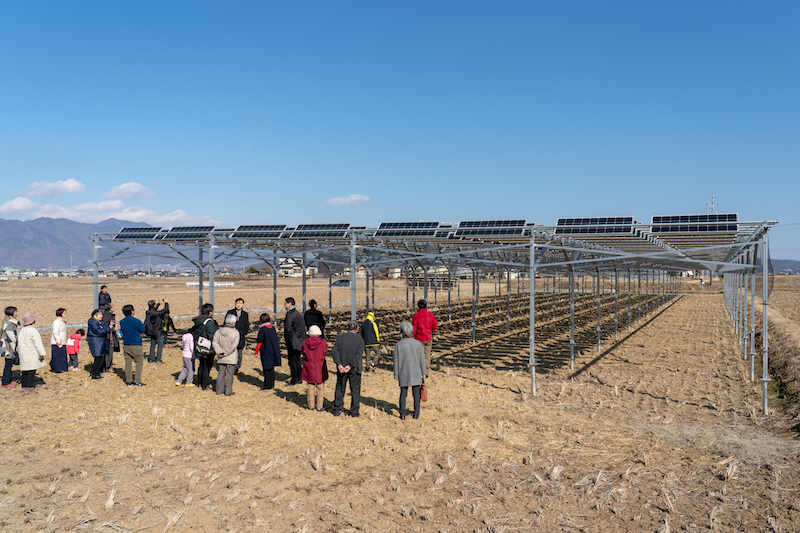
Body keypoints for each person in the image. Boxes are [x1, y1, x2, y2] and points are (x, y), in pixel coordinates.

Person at [394, 321, 427, 420]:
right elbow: (422, 359)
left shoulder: (398, 345)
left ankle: (402, 414)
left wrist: (396, 375)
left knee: (403, 393)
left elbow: (396, 362)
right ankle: (416, 413)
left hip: (403, 372)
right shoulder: (418, 344)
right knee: (416, 393)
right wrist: (423, 372)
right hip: (416, 371)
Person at [331, 320, 365, 417]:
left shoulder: (340, 338)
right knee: (355, 390)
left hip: (341, 368)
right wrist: (350, 365)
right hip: (354, 369)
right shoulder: (360, 340)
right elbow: (358, 355)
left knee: (340, 389)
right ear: (358, 329)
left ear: (347, 328)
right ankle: (354, 411)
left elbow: (335, 351)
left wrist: (339, 364)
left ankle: (337, 409)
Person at [300, 325, 328, 411]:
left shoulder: (305, 342)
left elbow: (303, 352)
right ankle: (319, 406)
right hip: (320, 367)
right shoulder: (323, 342)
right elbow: (325, 351)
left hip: (309, 366)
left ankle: (310, 406)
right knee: (320, 386)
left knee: (310, 387)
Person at [192, 303, 219, 391]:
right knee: (207, 366)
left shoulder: (198, 321)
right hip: (207, 348)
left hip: (199, 346)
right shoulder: (209, 322)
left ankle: (199, 382)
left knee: (201, 365)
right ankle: (205, 384)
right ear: (210, 312)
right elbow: (211, 336)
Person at [213, 314, 240, 396]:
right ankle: (228, 391)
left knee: (221, 373)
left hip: (221, 357)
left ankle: (219, 390)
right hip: (231, 357)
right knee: (230, 374)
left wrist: (220, 351)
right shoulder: (235, 333)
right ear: (234, 323)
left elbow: (215, 343)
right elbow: (234, 346)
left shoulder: (218, 332)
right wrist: (226, 352)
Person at [119, 305, 146, 386]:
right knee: (139, 362)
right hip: (136, 344)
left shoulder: (122, 321)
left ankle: (129, 381)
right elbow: (143, 330)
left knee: (128, 363)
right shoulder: (136, 321)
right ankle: (137, 380)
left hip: (126, 344)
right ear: (132, 312)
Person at [17, 313, 46, 390]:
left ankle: (24, 385)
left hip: (23, 352)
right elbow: (38, 343)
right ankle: (29, 386)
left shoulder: (21, 330)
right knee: (31, 370)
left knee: (25, 370)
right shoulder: (33, 331)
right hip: (31, 352)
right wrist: (42, 353)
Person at [283, 297, 307, 386]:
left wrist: (287, 340)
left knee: (292, 361)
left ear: (290, 304)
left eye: (285, 303)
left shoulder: (290, 314)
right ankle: (299, 377)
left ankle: (294, 379)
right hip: (299, 341)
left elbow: (287, 329)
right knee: (297, 360)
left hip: (293, 341)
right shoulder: (298, 313)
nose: (284, 305)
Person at [254, 313, 281, 390]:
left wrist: (256, 351)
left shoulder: (263, 329)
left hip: (266, 351)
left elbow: (260, 341)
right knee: (271, 369)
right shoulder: (272, 328)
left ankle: (267, 386)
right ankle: (272, 384)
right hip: (273, 350)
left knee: (266, 369)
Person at [412, 299, 438, 371]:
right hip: (428, 338)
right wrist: (429, 331)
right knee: (427, 356)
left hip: (419, 339)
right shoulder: (430, 315)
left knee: (419, 356)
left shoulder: (416, 316)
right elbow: (435, 326)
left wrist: (411, 337)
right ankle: (426, 371)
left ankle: (419, 371)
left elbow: (414, 328)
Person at [225, 298, 250, 374]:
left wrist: (244, 332)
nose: (239, 305)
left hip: (240, 337)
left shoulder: (245, 314)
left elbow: (247, 325)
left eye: (240, 303)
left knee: (239, 354)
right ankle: (229, 367)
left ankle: (236, 368)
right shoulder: (230, 312)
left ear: (243, 305)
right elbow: (225, 323)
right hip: (231, 336)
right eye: (237, 303)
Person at [87, 309, 112, 379]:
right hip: (96, 342)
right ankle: (94, 373)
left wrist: (109, 326)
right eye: (100, 314)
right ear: (95, 315)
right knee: (98, 357)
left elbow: (105, 327)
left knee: (100, 357)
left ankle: (97, 371)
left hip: (100, 341)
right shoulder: (92, 322)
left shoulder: (100, 322)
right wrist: (108, 328)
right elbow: (99, 331)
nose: (102, 316)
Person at [145, 299, 170, 363]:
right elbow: (165, 310)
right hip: (158, 331)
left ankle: (151, 358)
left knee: (153, 345)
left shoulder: (148, 312)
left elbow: (154, 309)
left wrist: (159, 304)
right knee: (160, 345)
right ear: (154, 305)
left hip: (151, 331)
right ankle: (158, 359)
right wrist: (166, 303)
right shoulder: (157, 314)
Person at [1, 307, 20, 388]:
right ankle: (5, 383)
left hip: (8, 346)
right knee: (8, 365)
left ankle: (8, 380)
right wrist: (17, 344)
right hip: (8, 348)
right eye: (15, 312)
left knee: (9, 364)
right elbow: (11, 336)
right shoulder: (9, 323)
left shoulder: (8, 321)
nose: (17, 313)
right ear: (12, 313)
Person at [50, 308, 69, 373]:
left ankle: (63, 368)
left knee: (62, 356)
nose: (66, 314)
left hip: (62, 341)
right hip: (57, 342)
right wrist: (58, 341)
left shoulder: (62, 322)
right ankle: (57, 368)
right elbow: (56, 332)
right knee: (57, 356)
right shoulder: (56, 322)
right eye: (64, 313)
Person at [102, 305, 119, 372]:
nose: (114, 308)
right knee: (108, 352)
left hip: (110, 336)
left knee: (110, 352)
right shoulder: (107, 316)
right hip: (109, 337)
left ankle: (108, 365)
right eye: (113, 306)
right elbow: (106, 326)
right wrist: (113, 329)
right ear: (110, 308)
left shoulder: (109, 315)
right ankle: (106, 366)